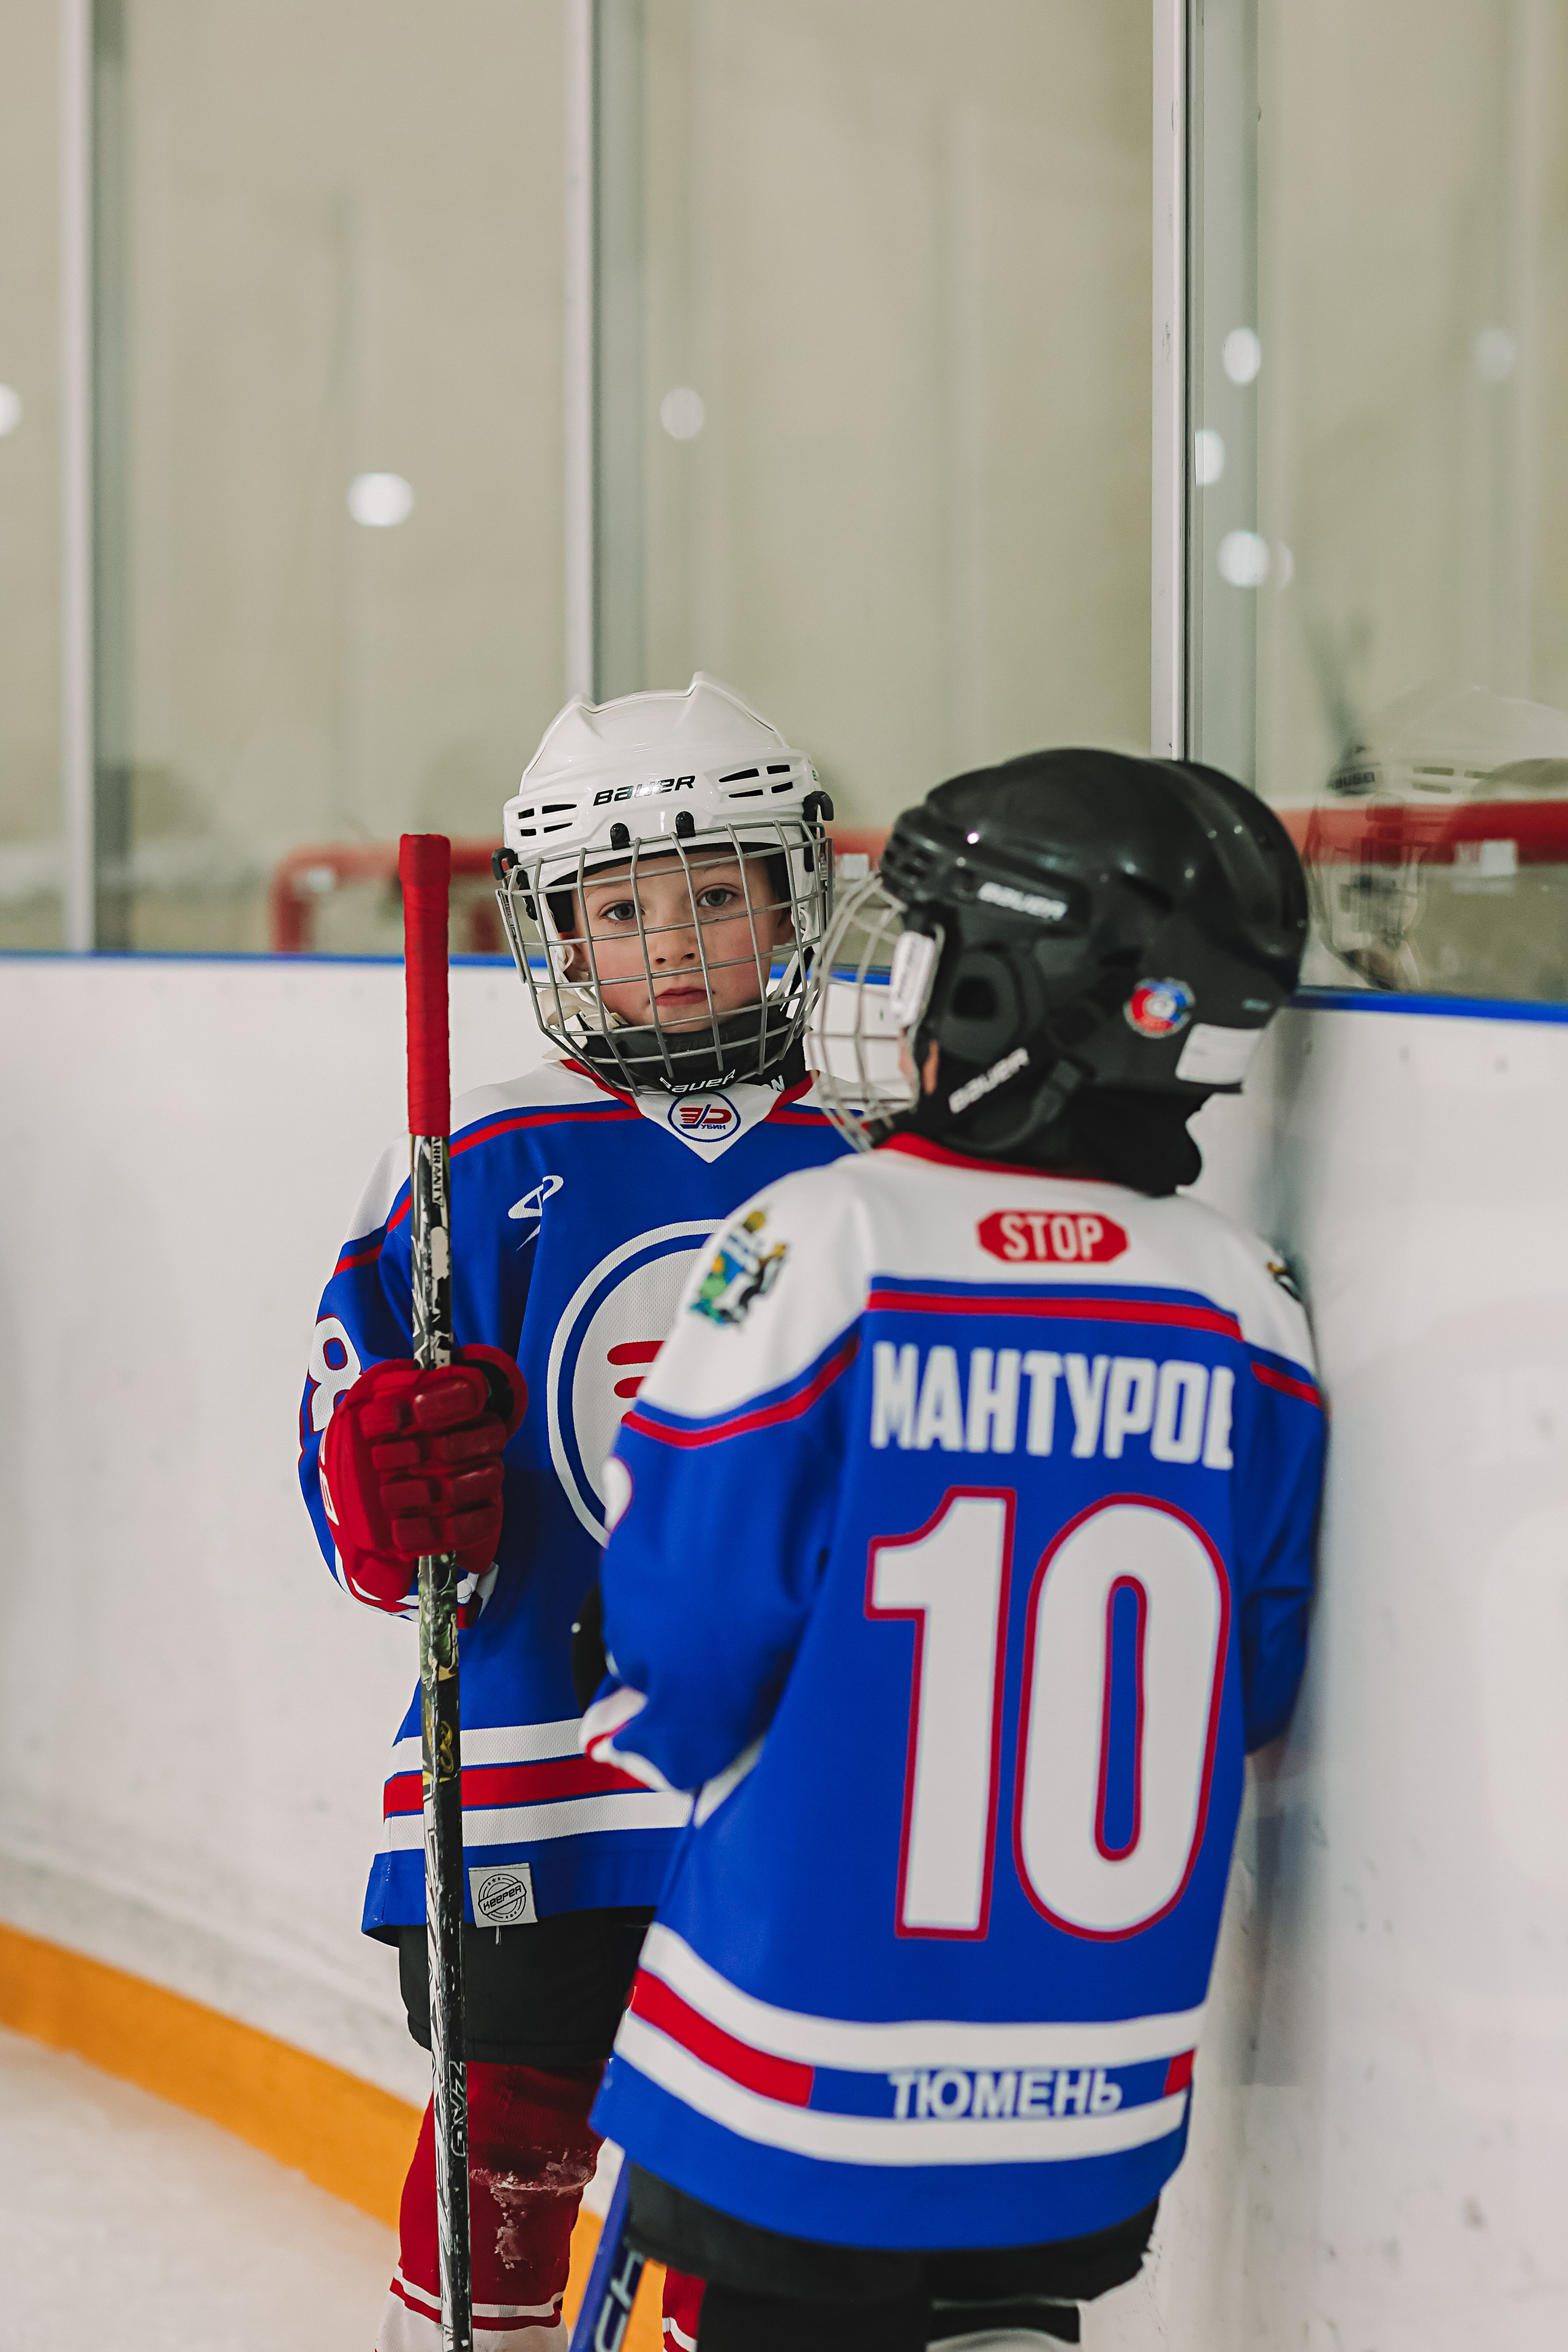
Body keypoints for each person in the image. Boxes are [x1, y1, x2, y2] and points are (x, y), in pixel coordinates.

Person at [581, 747, 1327, 2350]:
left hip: (800, 2046)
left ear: (1008, 996)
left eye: (926, 951)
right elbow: (1253, 1679)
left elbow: (689, 1632)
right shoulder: (1245, 1298)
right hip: (1089, 2080)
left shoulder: (827, 1237)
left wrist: (657, 1729)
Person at [298, 674, 850, 2352]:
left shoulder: (878, 1151)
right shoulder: (476, 1161)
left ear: (794, 898)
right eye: (619, 911)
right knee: (506, 2139)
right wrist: (386, 1490)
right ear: (555, 929)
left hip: (804, 1763)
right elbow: (343, 1422)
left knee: (763, 2164)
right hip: (539, 1748)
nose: (670, 944)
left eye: (714, 895)